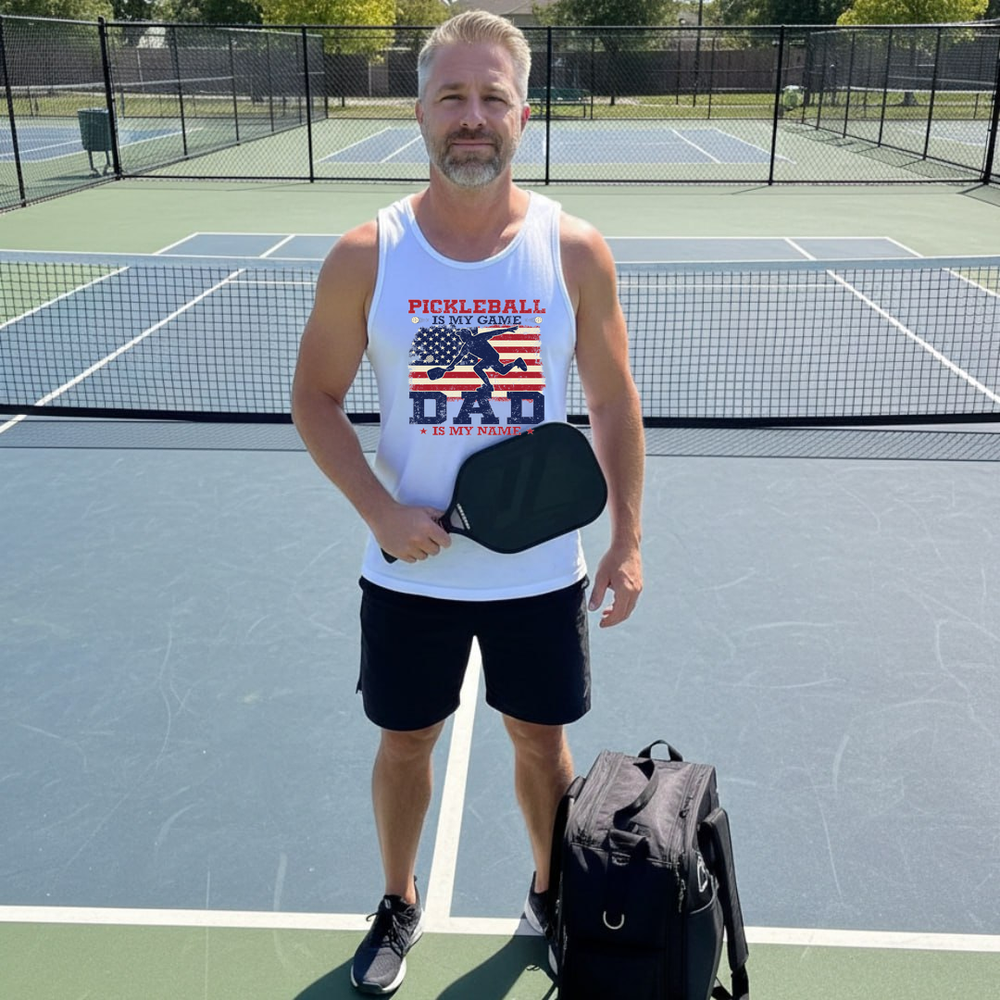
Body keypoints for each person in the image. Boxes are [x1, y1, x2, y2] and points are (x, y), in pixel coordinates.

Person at [292, 10, 644, 994]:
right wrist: (377, 509)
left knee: (542, 741)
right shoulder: (368, 253)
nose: (472, 117)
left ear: (523, 115)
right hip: (410, 572)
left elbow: (614, 403)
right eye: (453, 96)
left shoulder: (574, 250)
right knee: (406, 739)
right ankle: (399, 901)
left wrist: (626, 539)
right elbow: (311, 398)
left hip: (539, 572)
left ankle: (551, 892)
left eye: (492, 97)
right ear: (420, 111)